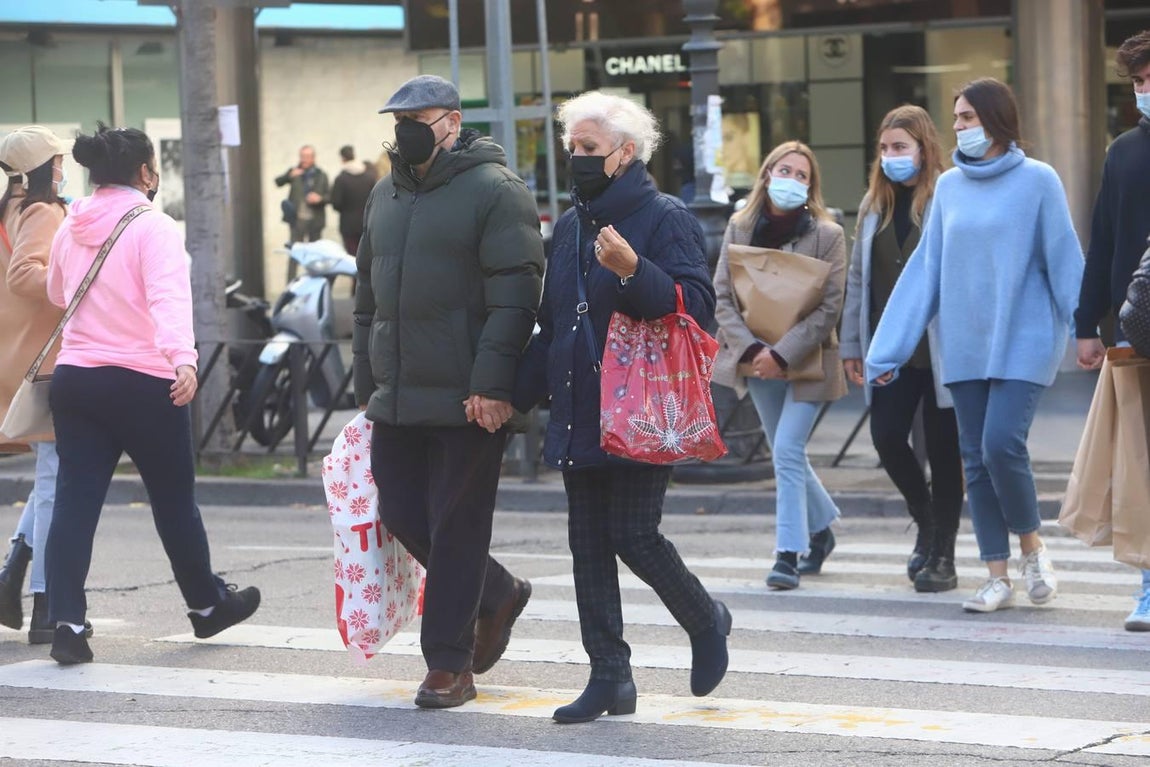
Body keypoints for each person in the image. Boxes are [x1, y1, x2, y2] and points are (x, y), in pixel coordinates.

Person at [513, 91, 731, 724]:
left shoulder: (666, 217)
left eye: (589, 149)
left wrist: (636, 271)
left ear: (625, 153)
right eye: (572, 148)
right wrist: (505, 395)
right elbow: (555, 326)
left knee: (633, 532)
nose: (577, 158)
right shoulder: (572, 227)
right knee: (587, 545)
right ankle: (609, 676)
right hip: (581, 405)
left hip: (639, 405)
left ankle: (704, 617)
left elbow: (696, 309)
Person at [353, 75, 543, 709]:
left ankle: (448, 665)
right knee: (402, 512)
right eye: (398, 116)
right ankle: (499, 592)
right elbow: (366, 300)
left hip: (468, 399)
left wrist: (493, 384)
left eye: (421, 117)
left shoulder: (495, 191)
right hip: (398, 395)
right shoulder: (384, 194)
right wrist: (367, 381)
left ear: (453, 123)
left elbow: (515, 294)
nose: (405, 127)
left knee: (456, 528)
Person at [43, 124, 261, 665]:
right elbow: (168, 299)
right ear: (145, 172)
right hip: (143, 381)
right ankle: (207, 607)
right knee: (172, 501)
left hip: (77, 379)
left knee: (75, 502)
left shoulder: (71, 224)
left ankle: (66, 624)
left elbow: (54, 292)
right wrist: (182, 361)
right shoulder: (154, 225)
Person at [866, 78, 1083, 613]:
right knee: (975, 460)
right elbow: (925, 274)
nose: (958, 127)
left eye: (966, 118)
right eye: (957, 118)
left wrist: (1089, 329)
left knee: (1000, 445)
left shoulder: (1039, 181)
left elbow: (1064, 258)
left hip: (1024, 338)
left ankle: (1032, 546)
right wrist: (887, 351)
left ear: (995, 119)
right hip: (963, 345)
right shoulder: (951, 190)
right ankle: (996, 575)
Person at [713, 141, 848, 591]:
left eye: (801, 175)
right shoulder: (740, 226)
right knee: (785, 452)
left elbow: (829, 308)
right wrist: (753, 352)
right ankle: (822, 528)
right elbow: (723, 297)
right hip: (757, 361)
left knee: (788, 451)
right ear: (766, 174)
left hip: (808, 361)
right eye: (783, 170)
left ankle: (788, 553)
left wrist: (781, 353)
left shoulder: (827, 235)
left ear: (812, 186)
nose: (791, 180)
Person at [841, 106, 964, 593]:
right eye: (885, 148)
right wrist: (853, 343)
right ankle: (927, 519)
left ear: (923, 148)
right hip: (891, 351)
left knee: (944, 449)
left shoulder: (947, 199)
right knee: (888, 436)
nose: (891, 156)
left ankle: (944, 555)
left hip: (942, 352)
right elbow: (859, 281)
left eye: (901, 147)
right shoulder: (875, 207)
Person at [1074, 30, 1150, 632]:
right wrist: (1087, 323)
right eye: (1138, 83)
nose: (1145, 91)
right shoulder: (1123, 151)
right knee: (1139, 464)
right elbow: (1102, 240)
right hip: (1135, 327)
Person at [0, 126, 76, 643]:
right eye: (57, 159)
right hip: (42, 362)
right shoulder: (43, 212)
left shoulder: (10, 208)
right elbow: (26, 273)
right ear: (41, 168)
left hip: (17, 358)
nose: (62, 167)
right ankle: (47, 603)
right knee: (55, 478)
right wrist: (79, 282)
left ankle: (11, 575)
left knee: (52, 472)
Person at [275, 144, 329, 246]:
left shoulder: (321, 174)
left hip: (315, 219)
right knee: (295, 250)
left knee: (314, 252)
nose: (304, 160)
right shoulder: (294, 172)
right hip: (297, 220)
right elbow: (278, 182)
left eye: (307, 157)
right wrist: (289, 176)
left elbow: (329, 197)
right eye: (302, 156)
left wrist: (319, 199)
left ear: (313, 158)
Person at [329, 144, 376, 255]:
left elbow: (336, 203)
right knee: (366, 256)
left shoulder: (341, 179)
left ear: (342, 158)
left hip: (348, 225)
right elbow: (375, 199)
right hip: (367, 223)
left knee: (352, 257)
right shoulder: (369, 177)